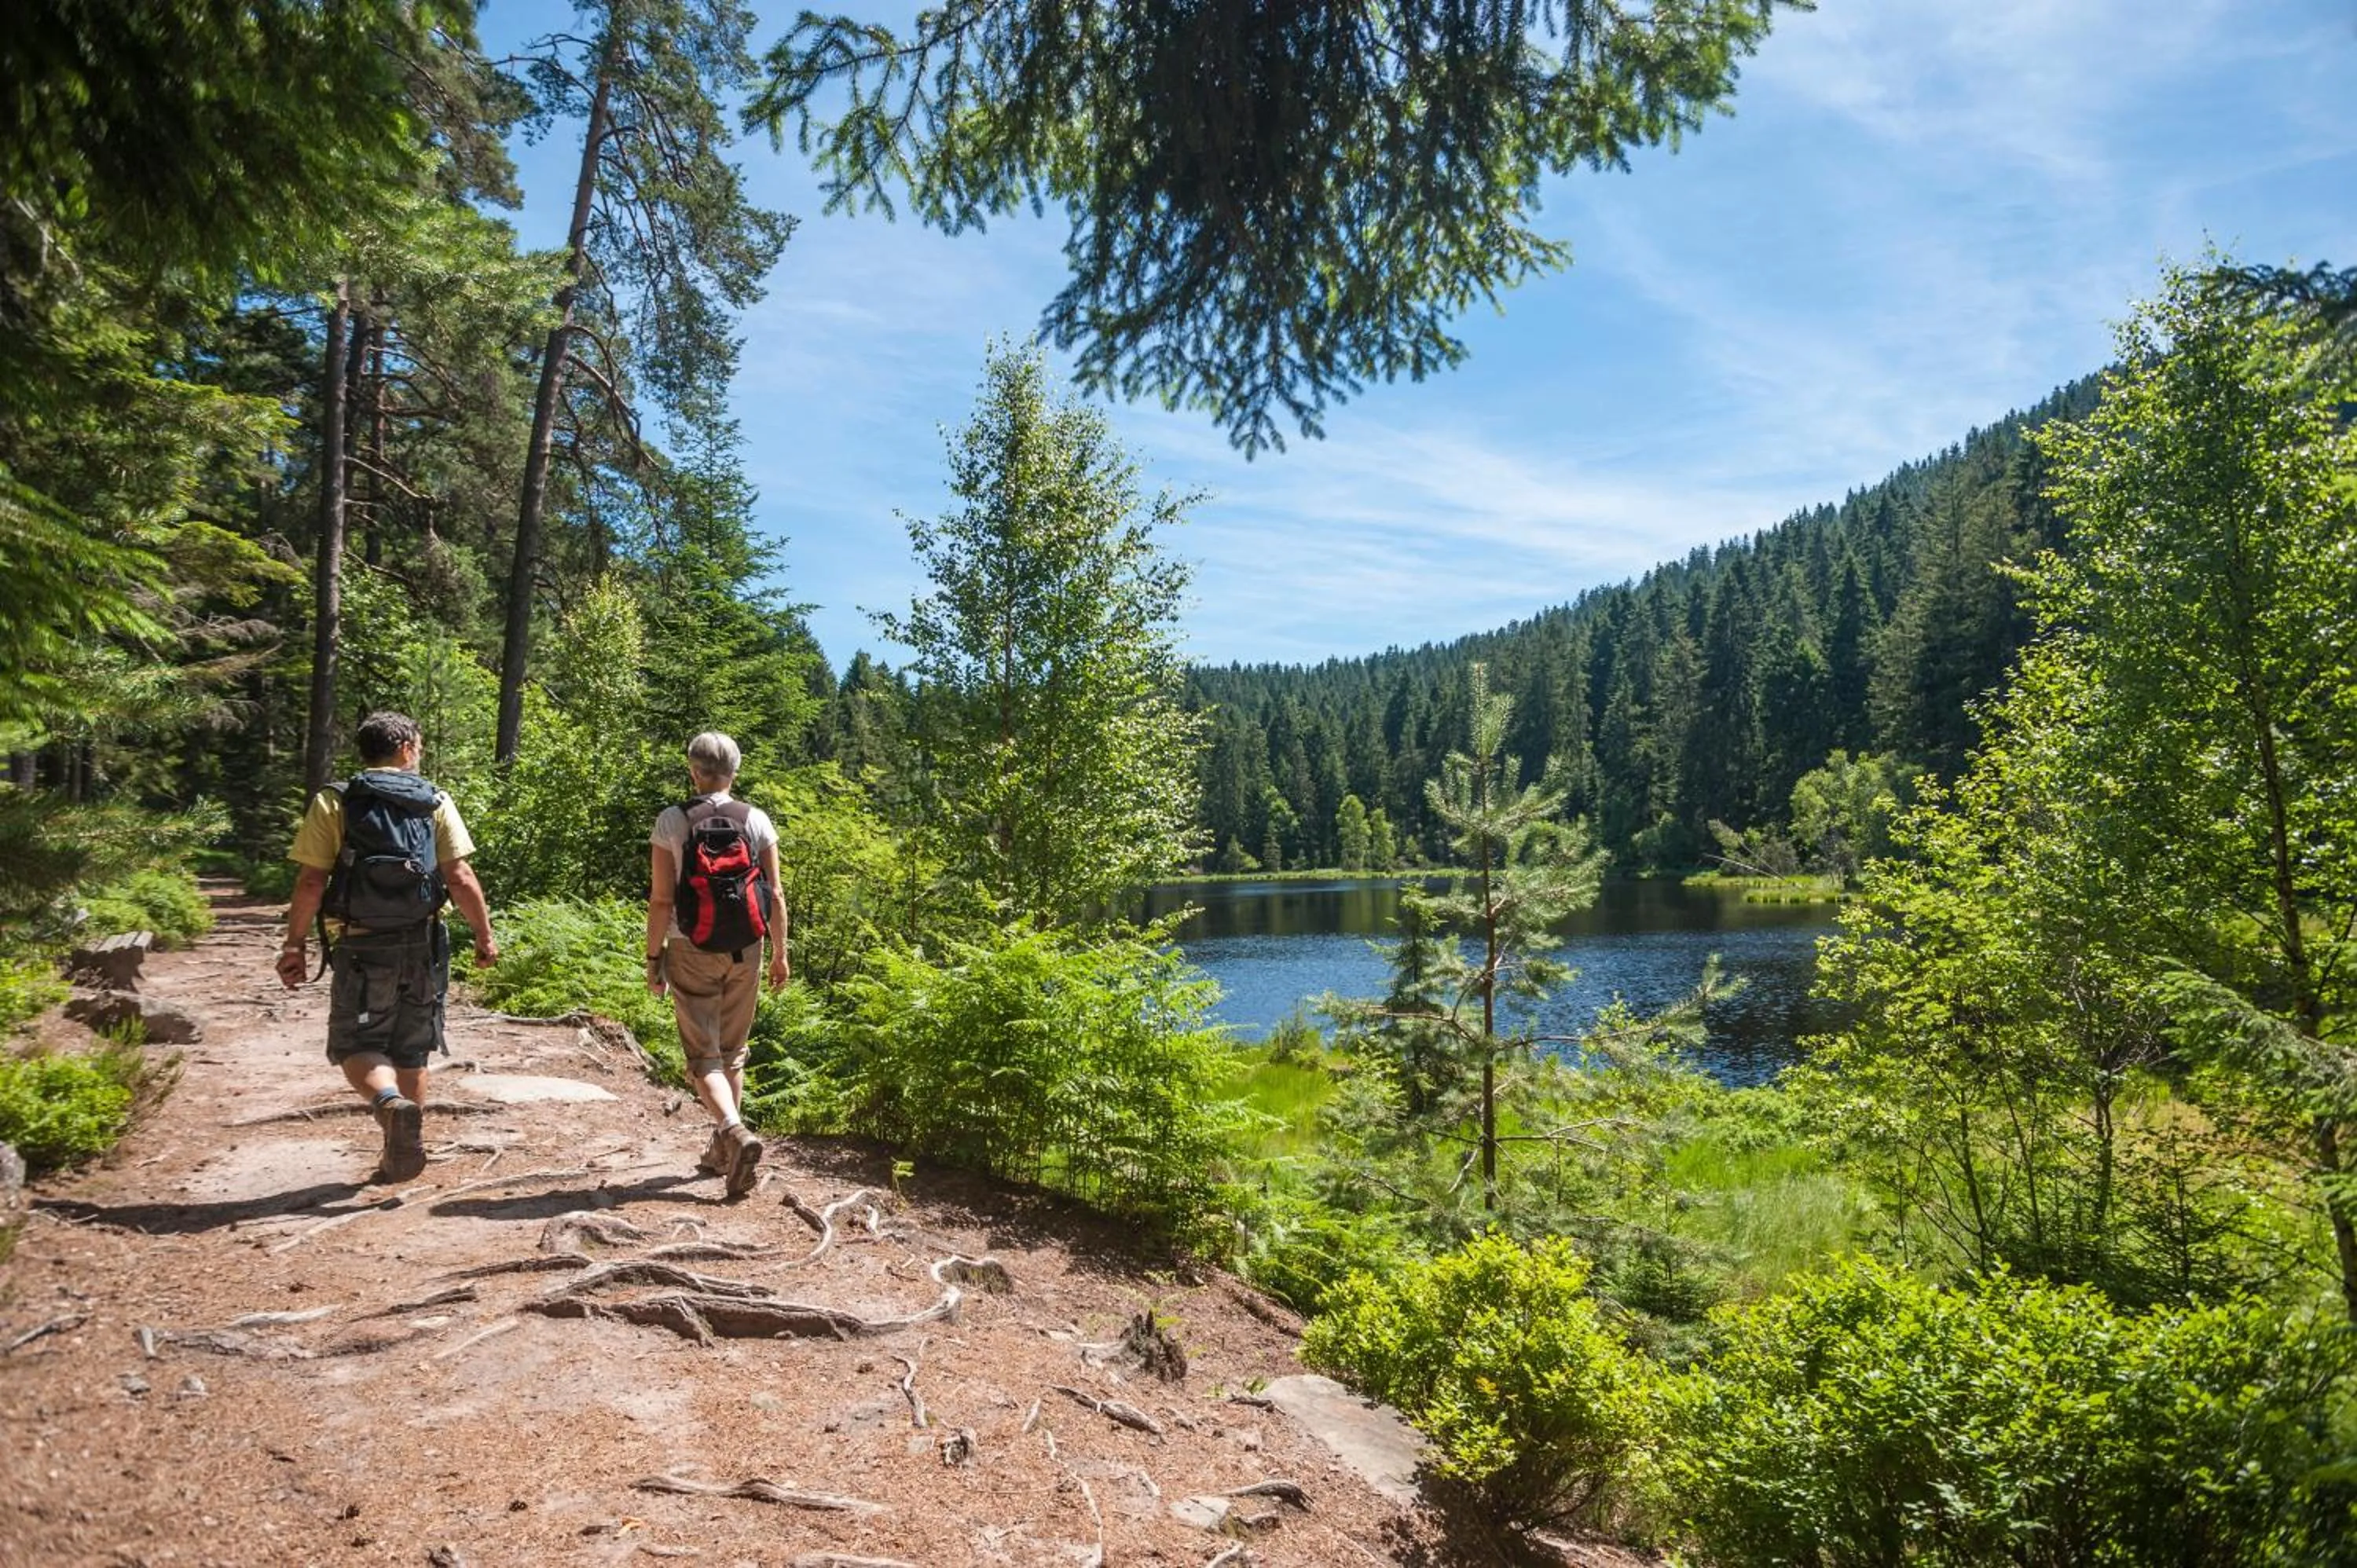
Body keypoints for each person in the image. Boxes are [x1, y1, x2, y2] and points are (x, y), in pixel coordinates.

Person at [277, 712, 498, 1181]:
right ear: (405, 748)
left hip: (360, 943)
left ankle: (389, 1104)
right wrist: (484, 935)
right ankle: (404, 1149)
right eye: (417, 745)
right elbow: (459, 876)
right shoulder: (434, 800)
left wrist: (294, 945)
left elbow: (312, 880)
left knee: (355, 1042)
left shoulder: (335, 802)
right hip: (422, 943)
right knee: (412, 1047)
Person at [646, 731, 789, 1199]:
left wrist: (654, 959)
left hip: (691, 946)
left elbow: (662, 899)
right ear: (735, 771)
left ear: (693, 770)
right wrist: (781, 954)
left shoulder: (673, 821)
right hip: (747, 947)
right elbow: (776, 895)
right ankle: (724, 1151)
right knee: (734, 1050)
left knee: (703, 1057)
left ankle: (732, 1130)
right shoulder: (757, 820)